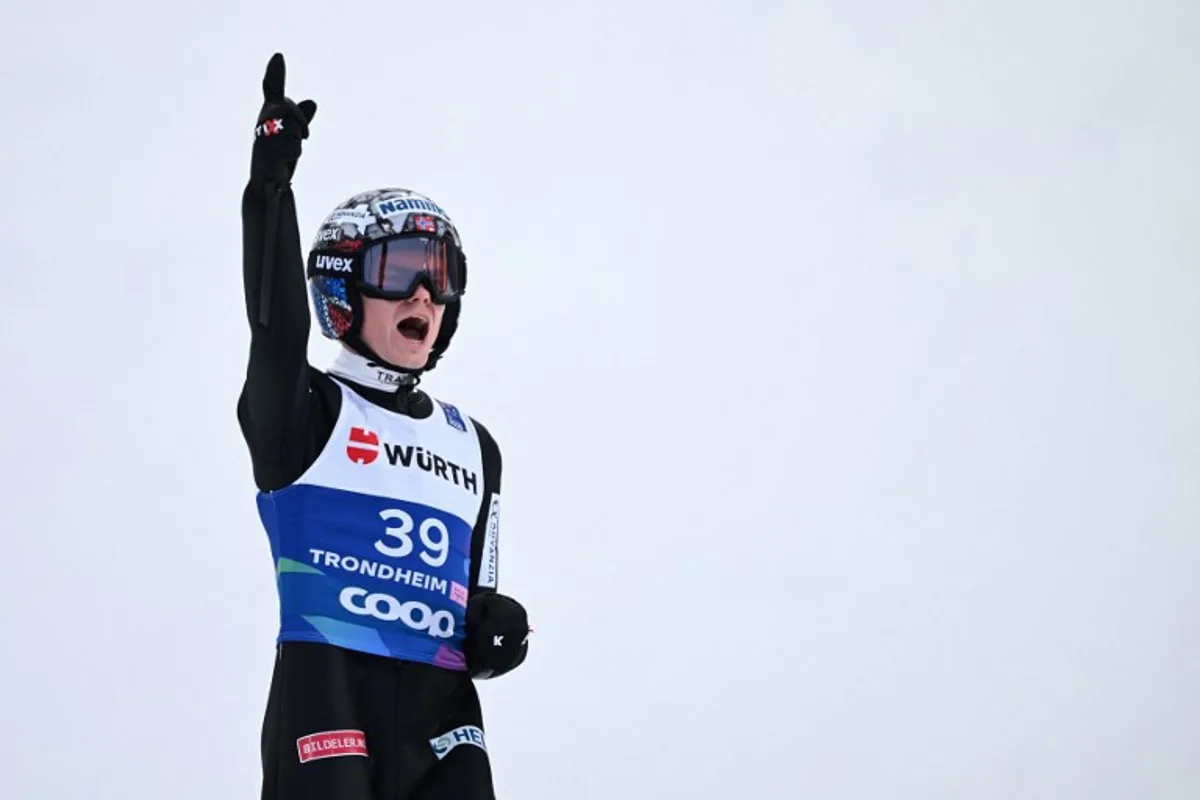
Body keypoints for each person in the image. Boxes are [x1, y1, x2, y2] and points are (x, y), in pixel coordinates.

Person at [237, 52, 531, 800]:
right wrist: (270, 191)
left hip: (442, 723)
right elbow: (274, 333)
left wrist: (497, 635)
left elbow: (478, 615)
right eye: (401, 270)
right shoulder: (303, 415)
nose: (426, 295)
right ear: (343, 290)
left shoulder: (475, 444)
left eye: (441, 276)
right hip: (328, 704)